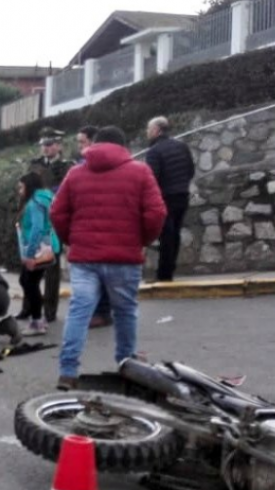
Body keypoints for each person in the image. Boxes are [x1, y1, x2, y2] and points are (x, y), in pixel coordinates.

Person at [51, 126, 167, 391]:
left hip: (84, 257)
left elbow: (57, 212)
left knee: (79, 310)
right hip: (124, 257)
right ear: (123, 147)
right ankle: (127, 366)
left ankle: (67, 373)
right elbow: (156, 213)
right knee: (125, 312)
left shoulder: (76, 173)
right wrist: (142, 240)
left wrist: (72, 239)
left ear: (94, 146)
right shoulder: (140, 171)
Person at [23, 127, 70, 323]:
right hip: (36, 218)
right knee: (31, 264)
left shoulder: (67, 166)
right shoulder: (34, 165)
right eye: (43, 145)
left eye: (49, 145)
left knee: (51, 268)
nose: (46, 148)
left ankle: (50, 311)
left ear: (58, 146)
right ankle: (28, 308)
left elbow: (67, 193)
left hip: (54, 219)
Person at [145, 116, 195, 282]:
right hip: (182, 194)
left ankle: (164, 275)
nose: (147, 132)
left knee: (166, 235)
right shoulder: (182, 146)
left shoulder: (154, 151)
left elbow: (151, 179)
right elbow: (190, 170)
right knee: (175, 234)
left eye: (149, 129)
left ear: (157, 130)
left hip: (165, 197)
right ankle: (169, 270)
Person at [75, 126, 112, 329]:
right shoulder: (83, 165)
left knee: (100, 273)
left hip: (98, 227)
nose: (79, 146)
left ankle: (102, 312)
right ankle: (100, 311)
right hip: (93, 227)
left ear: (92, 142)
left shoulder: (93, 166)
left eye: (82, 142)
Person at [16, 172, 60, 337]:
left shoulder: (35, 203)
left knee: (30, 283)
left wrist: (29, 255)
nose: (20, 191)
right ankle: (38, 319)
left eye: (21, 187)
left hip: (39, 249)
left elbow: (37, 229)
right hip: (47, 246)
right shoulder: (44, 198)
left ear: (29, 186)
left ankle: (37, 322)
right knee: (26, 281)